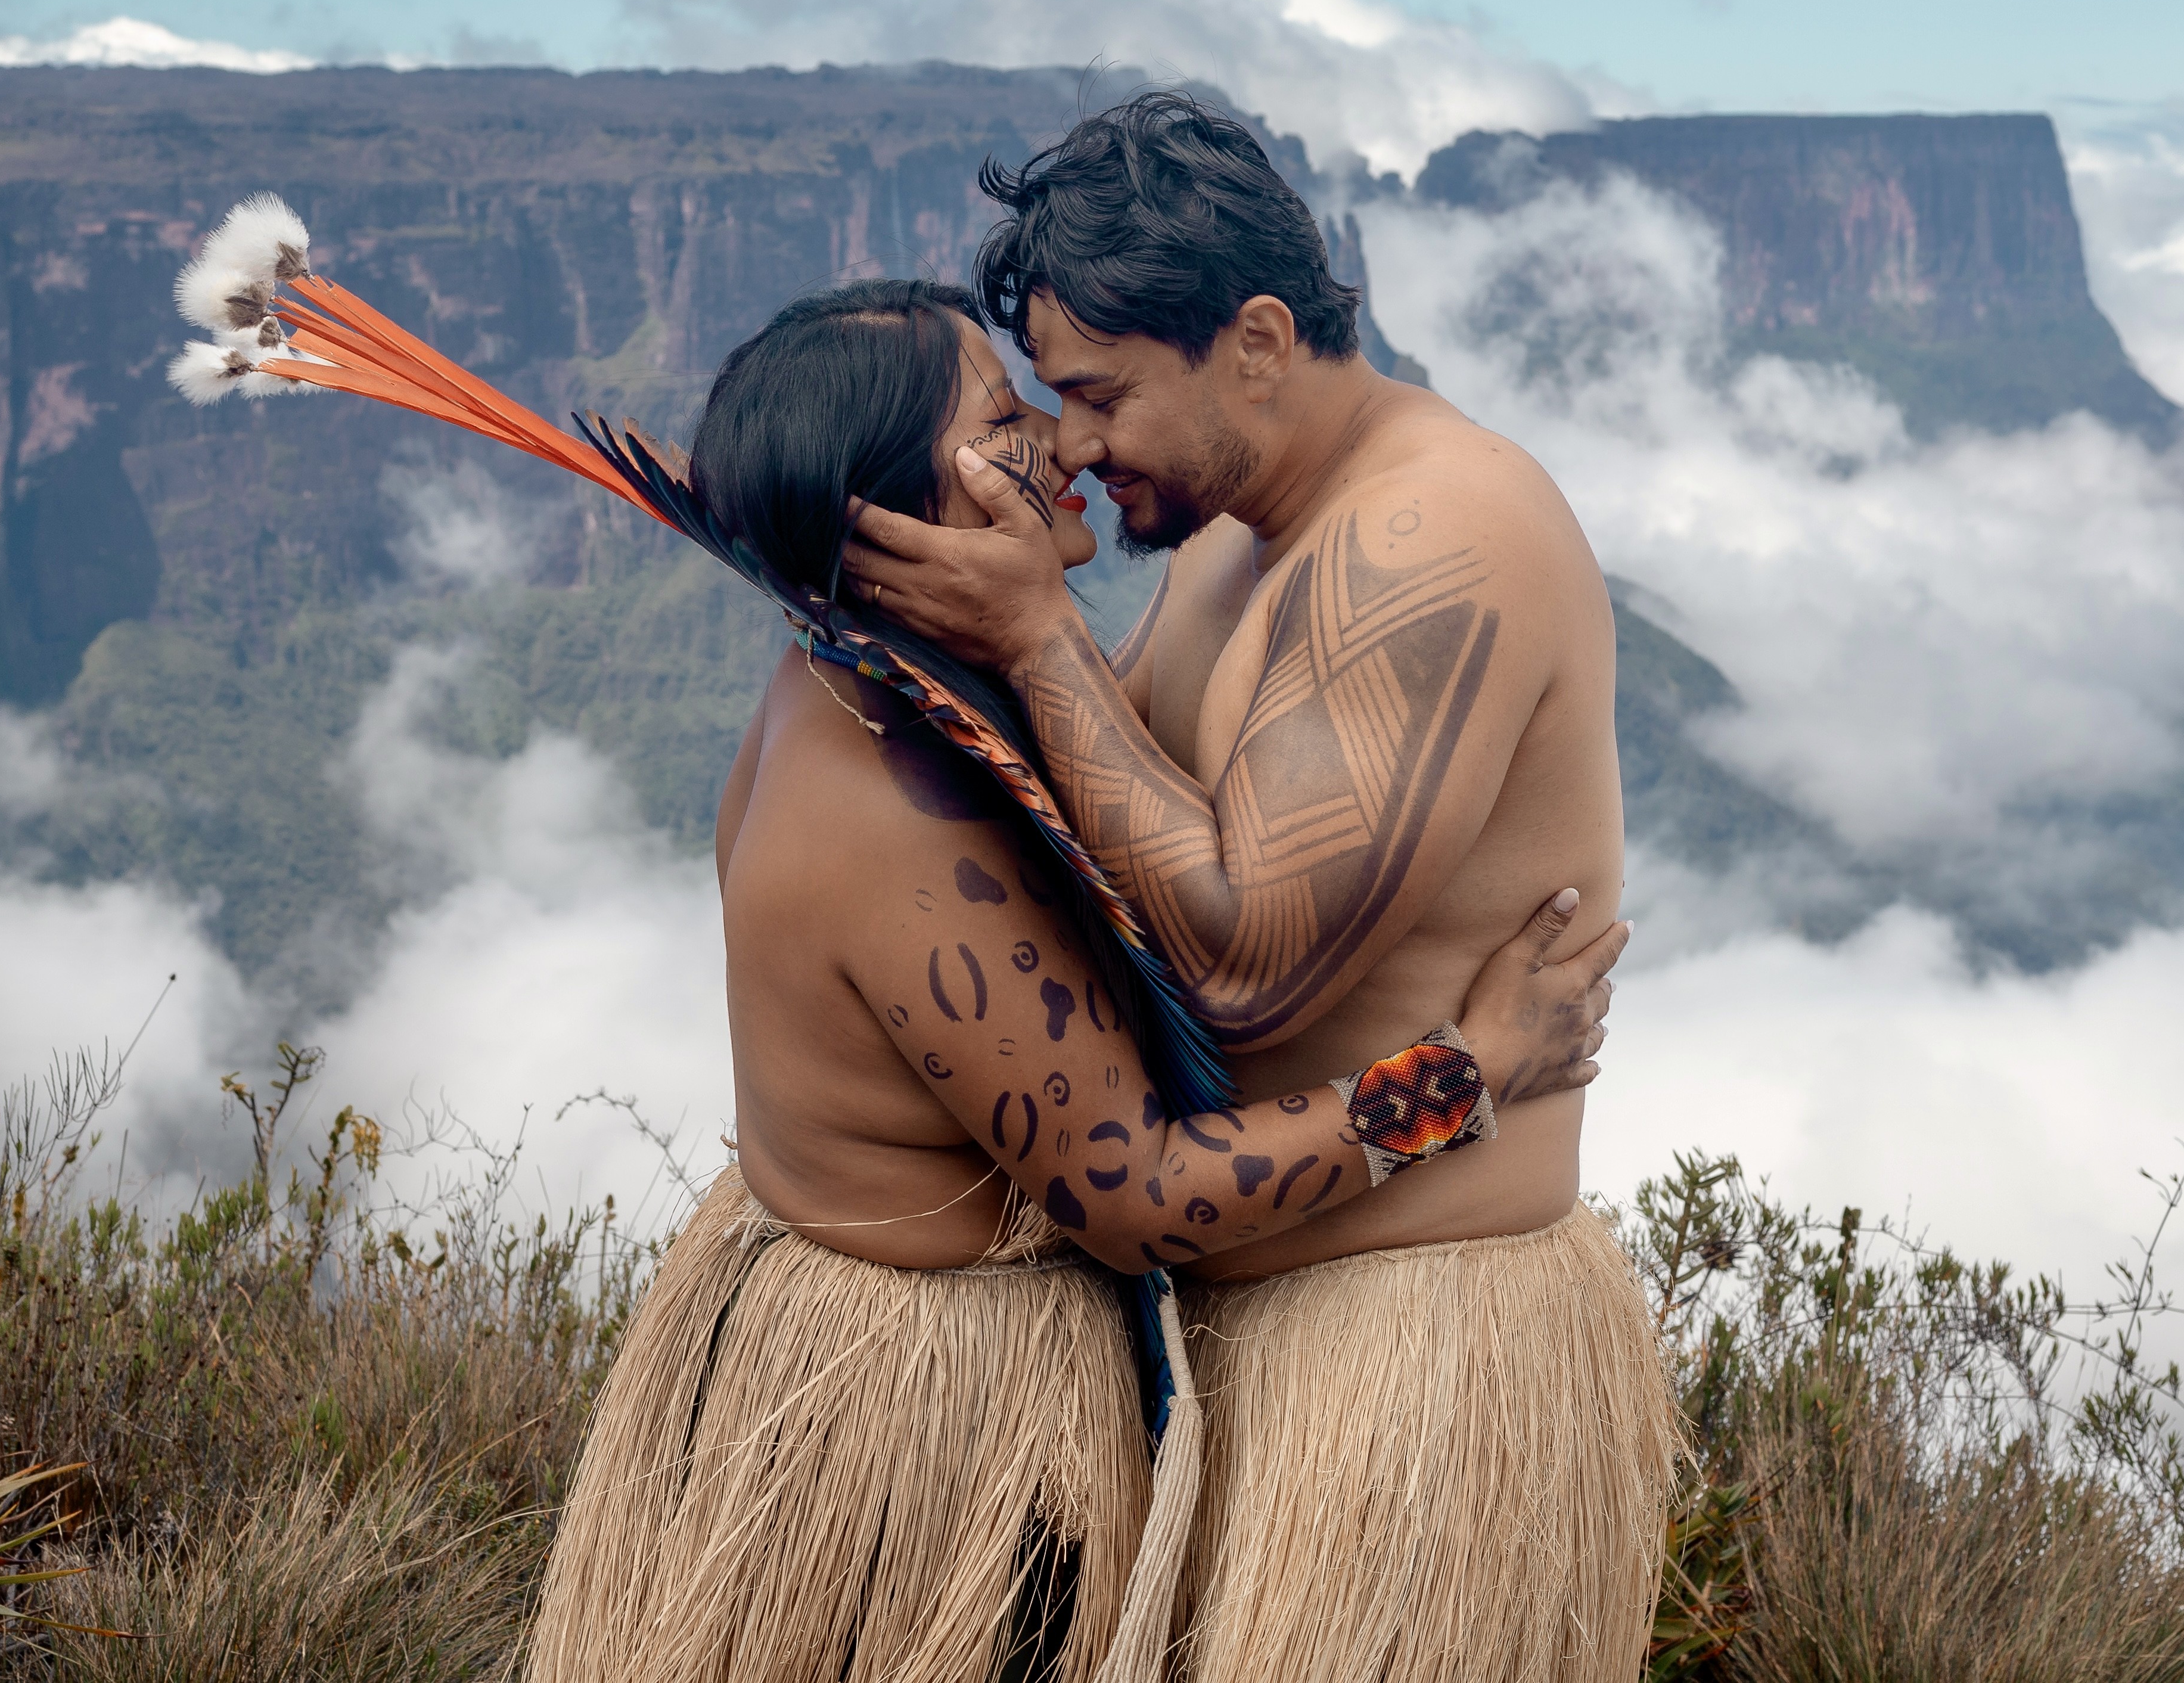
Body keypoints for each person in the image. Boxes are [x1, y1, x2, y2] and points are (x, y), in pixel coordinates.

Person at [522, 279, 1629, 1683]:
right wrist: (1464, 1073)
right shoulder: (903, 819)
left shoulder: (878, 685)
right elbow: (1141, 1196)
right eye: (1004, 418)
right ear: (896, 521)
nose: (1057, 439)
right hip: (911, 1438)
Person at [844, 97, 1677, 1683]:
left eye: (1099, 394)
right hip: (1236, 1333)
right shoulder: (1238, 532)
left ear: (1258, 338)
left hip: (1410, 1359)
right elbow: (1117, 837)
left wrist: (1034, 637)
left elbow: (1239, 965)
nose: (1075, 441)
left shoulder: (1438, 536)